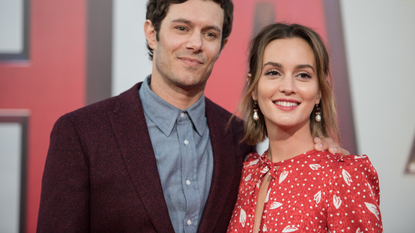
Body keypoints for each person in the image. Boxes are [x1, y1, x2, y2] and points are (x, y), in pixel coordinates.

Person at [37, 1, 348, 232]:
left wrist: (325, 155)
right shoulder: (81, 133)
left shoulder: (240, 142)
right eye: (182, 28)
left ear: (222, 45)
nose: (195, 44)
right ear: (152, 33)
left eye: (209, 33)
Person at [226, 23, 382, 233]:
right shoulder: (245, 171)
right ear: (253, 87)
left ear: (318, 92)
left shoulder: (343, 175)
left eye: (303, 75)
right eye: (273, 72)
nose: (288, 87)